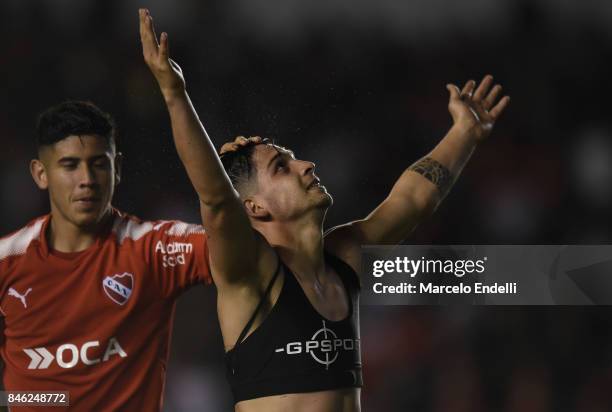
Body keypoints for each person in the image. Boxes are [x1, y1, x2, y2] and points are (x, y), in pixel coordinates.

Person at [139, 8, 510, 412]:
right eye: (282, 167)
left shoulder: (344, 256)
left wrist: (464, 133)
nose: (306, 166)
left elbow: (413, 201)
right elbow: (214, 197)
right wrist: (175, 95)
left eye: (295, 159)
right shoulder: (252, 272)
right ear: (254, 206)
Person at [0, 99, 211, 411]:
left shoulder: (152, 249)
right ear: (40, 174)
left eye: (99, 163)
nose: (86, 179)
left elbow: (231, 241)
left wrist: (173, 95)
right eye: (69, 165)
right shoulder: (7, 262)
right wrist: (48, 400)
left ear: (118, 168)